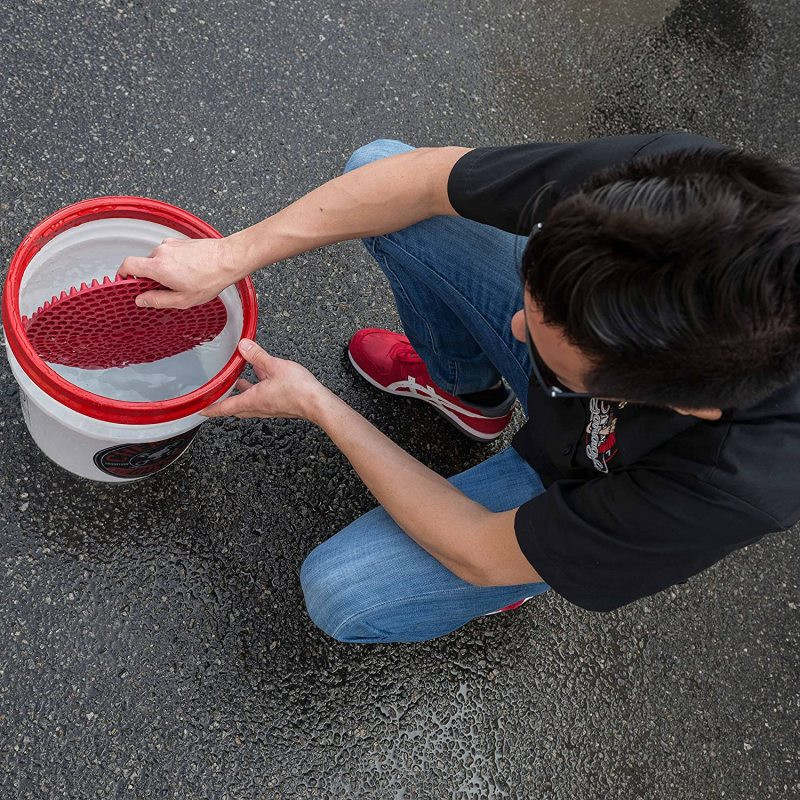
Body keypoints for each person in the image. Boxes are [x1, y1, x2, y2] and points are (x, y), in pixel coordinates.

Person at [117, 133, 800, 643]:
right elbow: (424, 178)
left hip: (585, 485)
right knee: (378, 171)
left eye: (543, 340)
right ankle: (470, 398)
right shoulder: (681, 205)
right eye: (532, 300)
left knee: (344, 595)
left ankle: (536, 559)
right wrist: (231, 253)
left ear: (688, 403)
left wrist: (318, 404)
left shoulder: (738, 481)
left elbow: (475, 548)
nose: (511, 325)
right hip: (607, 386)